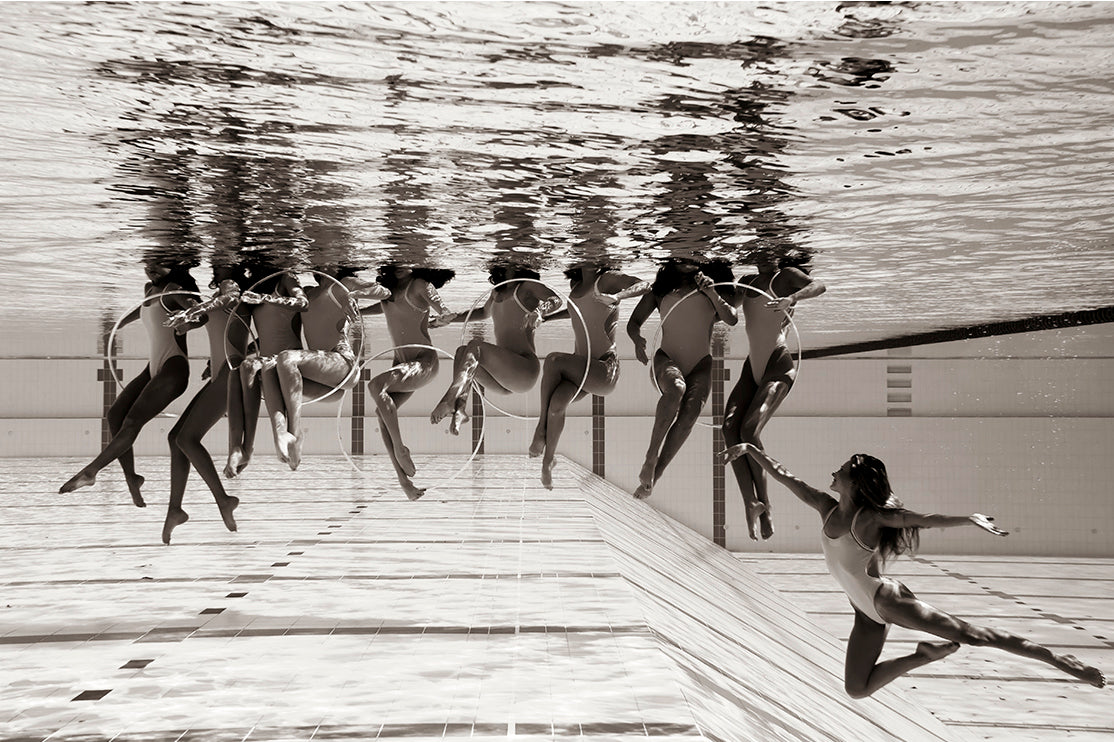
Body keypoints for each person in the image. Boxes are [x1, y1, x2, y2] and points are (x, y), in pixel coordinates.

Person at [720, 443, 1106, 695]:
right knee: (857, 689)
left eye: (840, 470)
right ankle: (923, 656)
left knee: (974, 635)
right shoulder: (826, 506)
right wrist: (750, 448)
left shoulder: (871, 519)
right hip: (865, 612)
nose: (832, 474)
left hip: (885, 601)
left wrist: (967, 519)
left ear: (855, 482)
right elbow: (785, 475)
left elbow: (923, 519)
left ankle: (1063, 662)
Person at [60, 261, 200, 505]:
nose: (152, 268)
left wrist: (188, 322)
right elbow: (144, 310)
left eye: (160, 264)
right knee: (115, 416)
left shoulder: (175, 291)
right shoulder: (149, 289)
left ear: (174, 265)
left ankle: (91, 471)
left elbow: (201, 314)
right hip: (154, 367)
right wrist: (119, 323)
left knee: (133, 421)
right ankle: (131, 478)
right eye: (148, 264)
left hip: (173, 369)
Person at [725, 251, 825, 540]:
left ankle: (766, 506)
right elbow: (727, 308)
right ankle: (750, 502)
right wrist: (710, 286)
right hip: (752, 366)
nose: (764, 252)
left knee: (748, 429)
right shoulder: (748, 280)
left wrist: (792, 299)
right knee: (729, 429)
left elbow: (819, 286)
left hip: (777, 366)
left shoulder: (787, 276)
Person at [529, 262, 649, 488]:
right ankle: (548, 460)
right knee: (557, 404)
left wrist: (618, 296)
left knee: (554, 361)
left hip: (604, 370)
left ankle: (540, 429)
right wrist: (546, 318)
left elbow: (644, 285)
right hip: (583, 370)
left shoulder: (606, 279)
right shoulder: (575, 287)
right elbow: (576, 311)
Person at [626, 259, 738, 499]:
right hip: (668, 358)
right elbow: (633, 322)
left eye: (693, 256)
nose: (688, 260)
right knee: (676, 389)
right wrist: (636, 340)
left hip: (701, 364)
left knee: (689, 415)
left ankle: (656, 474)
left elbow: (732, 318)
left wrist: (712, 292)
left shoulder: (711, 286)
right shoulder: (660, 291)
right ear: (671, 261)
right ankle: (650, 457)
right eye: (682, 257)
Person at [160, 260, 250, 543]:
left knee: (187, 439)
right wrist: (187, 323)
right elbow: (213, 320)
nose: (215, 264)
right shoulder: (219, 298)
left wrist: (193, 310)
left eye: (221, 263)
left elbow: (229, 299)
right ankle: (175, 509)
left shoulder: (232, 291)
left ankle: (223, 500)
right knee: (176, 436)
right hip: (222, 373)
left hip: (230, 375)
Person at [268, 266, 389, 471]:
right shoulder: (308, 292)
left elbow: (385, 292)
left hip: (344, 365)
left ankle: (295, 434)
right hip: (325, 384)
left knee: (287, 358)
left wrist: (353, 294)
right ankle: (285, 435)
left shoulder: (345, 284)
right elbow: (287, 327)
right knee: (268, 372)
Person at [430, 264, 561, 436]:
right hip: (502, 378)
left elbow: (556, 300)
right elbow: (483, 313)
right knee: (462, 352)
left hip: (524, 369)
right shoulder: (497, 292)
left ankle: (449, 399)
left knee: (475, 346)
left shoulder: (527, 286)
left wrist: (539, 311)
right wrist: (448, 319)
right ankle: (460, 409)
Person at [360, 265, 456, 500]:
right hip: (402, 364)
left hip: (423, 363)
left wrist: (443, 316)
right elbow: (385, 308)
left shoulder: (420, 285)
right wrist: (357, 312)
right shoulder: (390, 289)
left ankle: (401, 448)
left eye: (407, 262)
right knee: (381, 413)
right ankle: (404, 481)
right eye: (397, 262)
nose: (402, 266)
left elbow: (441, 307)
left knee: (375, 386)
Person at [225, 268, 308, 476]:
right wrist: (247, 351)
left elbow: (303, 303)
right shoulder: (255, 286)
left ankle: (287, 436)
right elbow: (267, 335)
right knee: (244, 367)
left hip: (290, 357)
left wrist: (263, 298)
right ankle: (244, 448)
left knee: (257, 367)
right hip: (268, 357)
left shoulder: (285, 279)